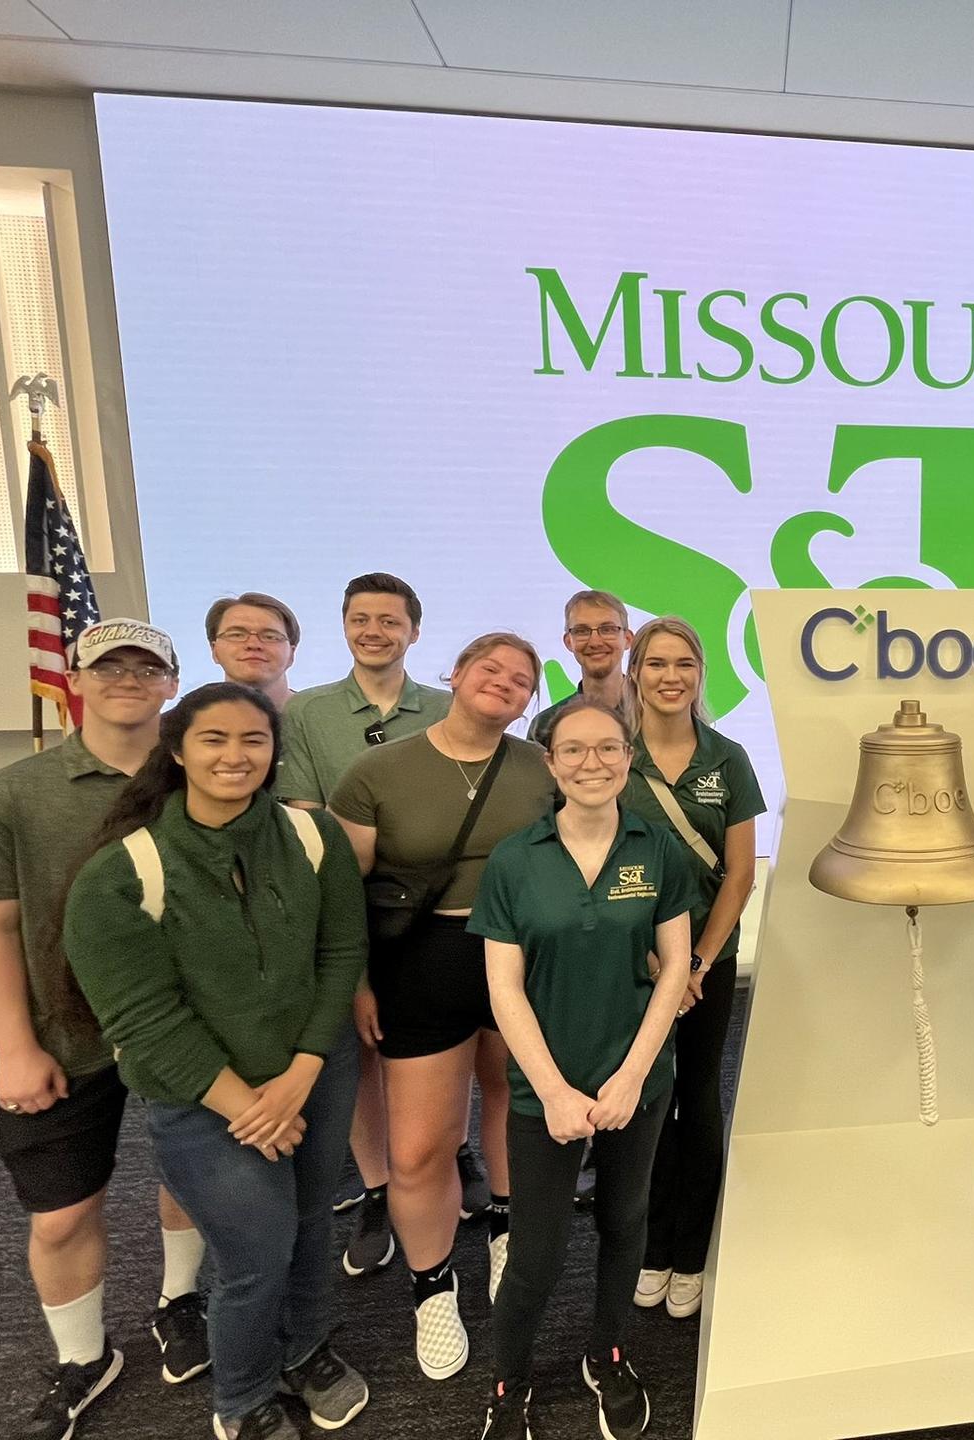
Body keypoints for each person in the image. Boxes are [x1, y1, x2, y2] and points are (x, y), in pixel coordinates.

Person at [62, 682, 371, 1440]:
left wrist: (301, 1072)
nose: (236, 756)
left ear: (275, 751)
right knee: (255, 1253)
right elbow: (144, 1018)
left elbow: (341, 952)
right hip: (200, 1099)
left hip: (313, 1074)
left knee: (307, 1225)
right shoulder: (121, 875)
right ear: (176, 751)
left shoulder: (311, 835)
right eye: (215, 740)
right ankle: (241, 1397)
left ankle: (306, 1350)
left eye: (254, 741)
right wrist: (251, 1107)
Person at [0, 618, 209, 1440]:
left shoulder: (206, 776)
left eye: (146, 667)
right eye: (109, 666)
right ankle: (84, 1357)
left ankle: (180, 1300)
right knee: (59, 1215)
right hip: (62, 1037)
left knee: (190, 1178)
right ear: (76, 680)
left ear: (170, 683)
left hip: (184, 1027)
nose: (128, 678)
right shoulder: (10, 794)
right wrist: (13, 1049)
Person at [328, 633, 555, 1380]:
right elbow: (340, 892)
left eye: (521, 681)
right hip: (419, 963)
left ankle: (504, 1230)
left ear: (529, 701)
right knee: (420, 1147)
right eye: (490, 669)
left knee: (508, 1106)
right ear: (454, 675)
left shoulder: (540, 769)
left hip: (517, 960)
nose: (504, 684)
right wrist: (357, 981)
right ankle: (432, 1287)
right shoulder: (378, 770)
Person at [471, 700, 696, 1440]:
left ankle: (609, 1352)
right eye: (574, 750)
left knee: (623, 1222)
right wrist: (554, 1089)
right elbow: (503, 987)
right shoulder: (514, 858)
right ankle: (510, 1386)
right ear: (551, 762)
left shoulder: (655, 847)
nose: (592, 763)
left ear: (628, 758)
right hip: (547, 1091)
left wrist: (631, 1076)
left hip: (638, 1078)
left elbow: (674, 970)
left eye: (608, 749)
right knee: (535, 1251)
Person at [275, 572, 463, 1278]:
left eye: (390, 620)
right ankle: (379, 1188)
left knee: (445, 1051)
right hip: (349, 909)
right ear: (344, 626)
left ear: (415, 631)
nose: (375, 630)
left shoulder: (448, 706)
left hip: (443, 912)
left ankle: (449, 1156)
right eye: (361, 618)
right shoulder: (310, 714)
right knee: (363, 1054)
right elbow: (302, 821)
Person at [621, 618, 765, 1322]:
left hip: (707, 960)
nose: (670, 676)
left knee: (698, 1097)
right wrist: (656, 962)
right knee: (646, 1099)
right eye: (656, 663)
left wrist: (697, 962)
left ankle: (693, 1248)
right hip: (633, 962)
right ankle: (649, 1245)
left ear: (700, 673)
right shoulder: (614, 755)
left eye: (684, 663)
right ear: (636, 672)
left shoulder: (728, 759)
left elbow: (738, 875)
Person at [527, 589, 633, 746]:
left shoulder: (655, 715)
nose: (595, 642)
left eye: (607, 629)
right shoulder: (545, 726)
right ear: (569, 642)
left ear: (628, 639)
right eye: (582, 631)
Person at [206, 592, 300, 712]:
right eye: (237, 635)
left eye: (270, 637)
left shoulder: (324, 721)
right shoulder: (185, 723)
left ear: (291, 654)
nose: (253, 645)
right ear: (214, 650)